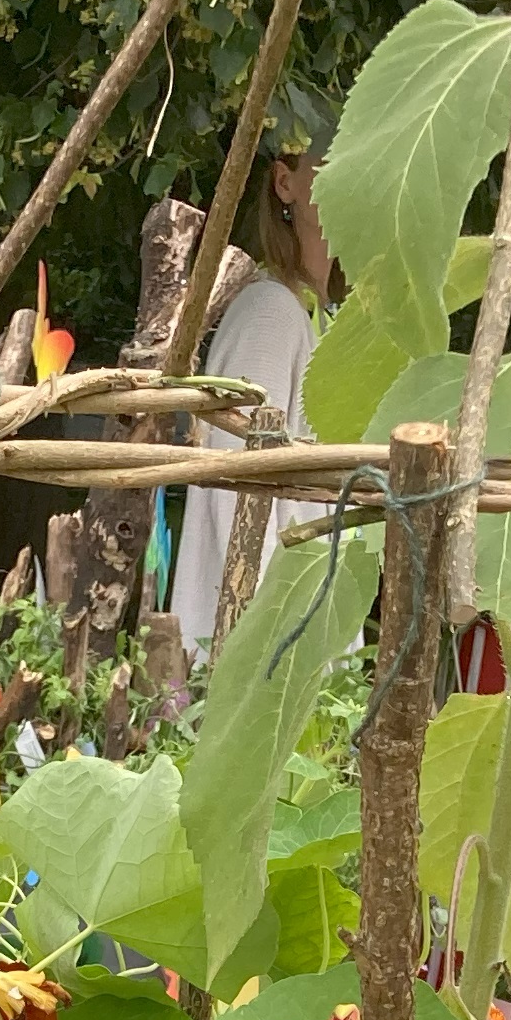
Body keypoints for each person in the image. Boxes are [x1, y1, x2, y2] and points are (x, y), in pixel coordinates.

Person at [171, 122, 333, 659]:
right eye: (330, 169)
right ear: (285, 184)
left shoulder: (314, 314)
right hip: (266, 645)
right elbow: (237, 491)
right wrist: (270, 646)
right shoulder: (270, 313)